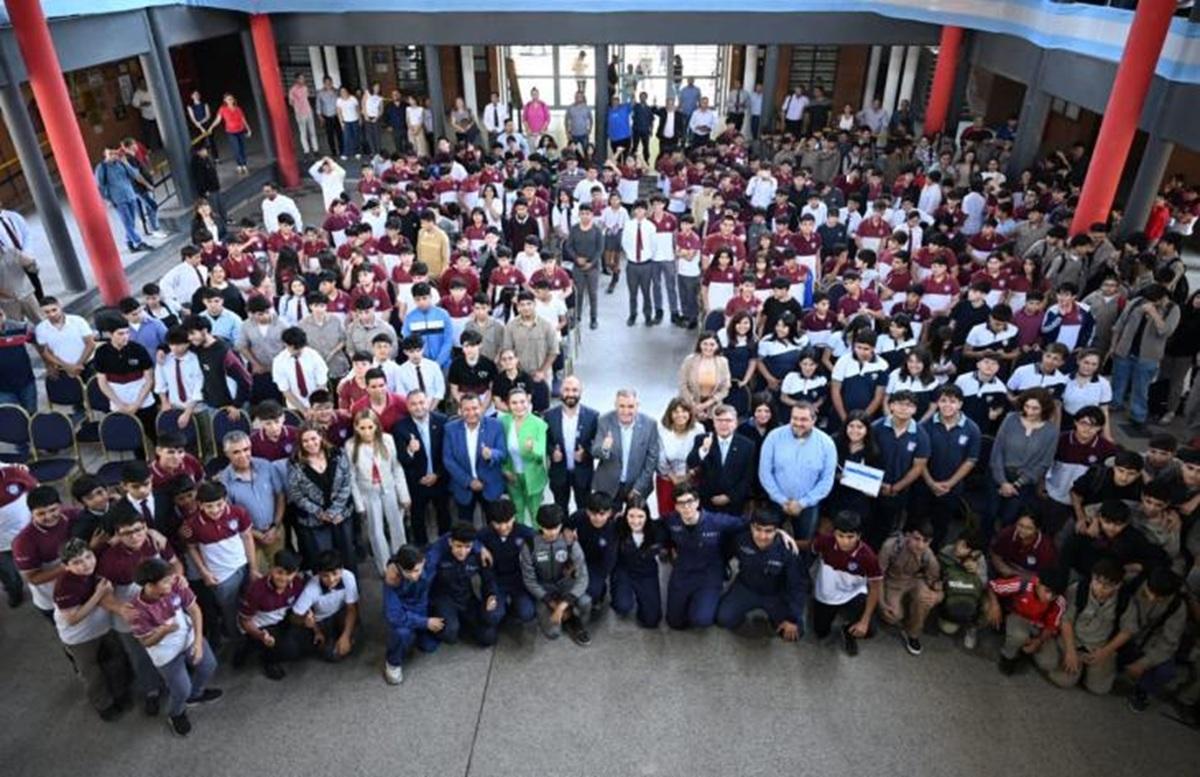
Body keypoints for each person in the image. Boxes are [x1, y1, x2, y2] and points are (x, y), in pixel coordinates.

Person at [128, 557, 222, 737]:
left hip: (188, 638)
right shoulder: (137, 611)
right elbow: (146, 642)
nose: (172, 581)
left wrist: (198, 643)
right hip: (165, 653)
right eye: (165, 581)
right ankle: (176, 713)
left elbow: (194, 610)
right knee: (181, 690)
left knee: (208, 665)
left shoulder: (175, 584)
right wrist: (163, 631)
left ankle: (196, 695)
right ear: (149, 585)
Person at [52, 538, 128, 720]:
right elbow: (73, 619)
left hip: (103, 627)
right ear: (66, 566)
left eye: (88, 557)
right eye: (77, 562)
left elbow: (113, 540)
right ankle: (104, 705)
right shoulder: (64, 586)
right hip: (80, 637)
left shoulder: (95, 565)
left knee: (115, 660)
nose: (86, 564)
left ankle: (120, 694)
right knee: (92, 673)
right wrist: (98, 594)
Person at [715, 508, 807, 641]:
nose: (762, 536)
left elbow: (797, 586)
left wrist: (793, 618)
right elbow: (723, 552)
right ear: (751, 527)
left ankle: (777, 618)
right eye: (758, 529)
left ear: (776, 531)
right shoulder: (740, 539)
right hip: (745, 587)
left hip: (775, 595)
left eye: (768, 531)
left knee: (795, 632)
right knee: (724, 619)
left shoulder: (787, 550)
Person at [662, 484, 745, 630]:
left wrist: (779, 533)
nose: (686, 507)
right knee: (674, 622)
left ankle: (712, 598)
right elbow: (648, 526)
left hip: (709, 574)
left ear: (697, 502)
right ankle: (694, 601)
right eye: (681, 503)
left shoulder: (716, 521)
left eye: (690, 501)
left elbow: (746, 523)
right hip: (683, 572)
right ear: (676, 506)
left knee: (701, 620)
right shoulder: (671, 521)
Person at [758, 402, 838, 540]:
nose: (798, 423)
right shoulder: (774, 437)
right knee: (769, 541)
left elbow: (826, 480)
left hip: (808, 505)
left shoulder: (827, 443)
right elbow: (765, 472)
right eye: (794, 418)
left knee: (804, 543)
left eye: (804, 419)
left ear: (814, 420)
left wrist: (802, 503)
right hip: (776, 502)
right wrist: (781, 500)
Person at [1047, 558, 1127, 695]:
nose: (1099, 588)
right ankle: (1075, 666)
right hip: (1075, 641)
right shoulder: (1078, 590)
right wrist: (1070, 650)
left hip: (1099, 647)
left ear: (1117, 585)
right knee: (1063, 681)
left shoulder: (1125, 601)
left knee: (1099, 689)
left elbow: (1127, 631)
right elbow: (1066, 621)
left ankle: (1088, 672)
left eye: (1106, 586)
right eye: (1096, 581)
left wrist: (1105, 652)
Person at [1109, 284, 1179, 435]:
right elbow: (1120, 323)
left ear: (1162, 299)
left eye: (1153, 301)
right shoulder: (1137, 301)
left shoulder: (1173, 309)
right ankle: (1115, 404)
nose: (1148, 302)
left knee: (1141, 387)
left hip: (1148, 356)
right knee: (1118, 379)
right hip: (1125, 349)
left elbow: (1166, 332)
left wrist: (1154, 313)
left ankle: (1138, 415)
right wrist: (1114, 345)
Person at [811, 510, 883, 656]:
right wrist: (781, 536)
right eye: (840, 536)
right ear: (834, 533)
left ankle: (848, 630)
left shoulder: (868, 557)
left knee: (870, 630)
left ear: (859, 536)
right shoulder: (825, 541)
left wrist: (864, 621)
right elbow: (807, 546)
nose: (845, 541)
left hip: (853, 594)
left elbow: (875, 588)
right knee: (820, 632)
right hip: (827, 595)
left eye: (850, 537)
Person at [347, 410, 410, 576]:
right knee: (376, 531)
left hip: (389, 489)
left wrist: (403, 495)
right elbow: (351, 478)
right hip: (368, 493)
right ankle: (385, 567)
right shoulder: (351, 445)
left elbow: (396, 468)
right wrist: (359, 505)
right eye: (362, 428)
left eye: (370, 427)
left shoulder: (387, 440)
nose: (367, 431)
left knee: (397, 526)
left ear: (376, 426)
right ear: (356, 428)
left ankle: (402, 562)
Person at [519, 504, 592, 645]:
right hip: (544, 588)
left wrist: (563, 605)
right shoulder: (530, 545)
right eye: (547, 528)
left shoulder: (570, 541)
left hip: (565, 584)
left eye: (556, 528)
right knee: (553, 633)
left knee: (585, 602)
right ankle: (564, 617)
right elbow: (529, 580)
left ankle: (573, 621)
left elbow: (583, 576)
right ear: (539, 525)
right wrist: (551, 604)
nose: (552, 533)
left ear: (561, 525)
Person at [989, 388, 1058, 534]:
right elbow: (998, 451)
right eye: (1027, 407)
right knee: (989, 513)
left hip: (1024, 481)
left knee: (1010, 518)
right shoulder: (1010, 419)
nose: (1030, 412)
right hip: (999, 474)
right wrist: (1002, 482)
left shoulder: (1051, 431)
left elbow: (1044, 463)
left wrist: (1017, 484)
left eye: (1035, 408)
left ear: (1044, 408)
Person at [1119, 566, 1186, 712]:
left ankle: (1141, 690)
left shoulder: (1177, 607)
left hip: (1150, 645)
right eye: (1151, 593)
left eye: (1159, 597)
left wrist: (1144, 663)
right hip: (1125, 633)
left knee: (1166, 671)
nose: (1153, 598)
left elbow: (1168, 643)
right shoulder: (1135, 582)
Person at [286, 426, 354, 570]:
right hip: (315, 521)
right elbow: (296, 494)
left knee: (347, 556)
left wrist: (335, 511)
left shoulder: (338, 454)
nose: (310, 443)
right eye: (305, 441)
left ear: (321, 438)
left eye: (313, 439)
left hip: (341, 516)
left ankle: (352, 590)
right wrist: (319, 512)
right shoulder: (295, 463)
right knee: (324, 560)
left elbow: (347, 482)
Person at [236, 550, 305, 681]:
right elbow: (244, 621)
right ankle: (267, 659)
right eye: (279, 572)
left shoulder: (297, 583)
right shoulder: (256, 590)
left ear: (295, 573)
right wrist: (260, 635)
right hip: (261, 626)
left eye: (289, 574)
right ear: (271, 569)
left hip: (282, 620)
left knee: (298, 649)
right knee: (276, 645)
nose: (283, 578)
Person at [984, 567, 1068, 676]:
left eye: (1054, 595)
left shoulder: (1059, 601)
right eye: (1047, 591)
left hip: (1038, 626)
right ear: (1037, 582)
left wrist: (1039, 641)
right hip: (1018, 616)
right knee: (1019, 636)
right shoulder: (1022, 583)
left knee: (1049, 663)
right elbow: (992, 586)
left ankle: (1024, 651)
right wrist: (995, 605)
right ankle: (1008, 656)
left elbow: (1051, 626)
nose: (1049, 597)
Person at [426, 523, 498, 647]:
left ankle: (460, 623)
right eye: (458, 546)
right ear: (450, 542)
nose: (462, 551)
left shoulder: (477, 555)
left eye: (467, 547)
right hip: (444, 598)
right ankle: (451, 623)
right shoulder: (437, 556)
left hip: (466, 597)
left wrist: (491, 595)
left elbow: (488, 579)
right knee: (450, 634)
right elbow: (421, 578)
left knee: (488, 638)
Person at [878, 520, 943, 656]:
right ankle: (902, 610)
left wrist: (937, 596)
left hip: (914, 581)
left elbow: (936, 583)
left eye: (925, 541)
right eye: (916, 539)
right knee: (893, 616)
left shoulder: (928, 556)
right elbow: (877, 578)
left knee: (925, 598)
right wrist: (881, 603)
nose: (920, 545)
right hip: (892, 582)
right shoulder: (890, 546)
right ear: (908, 535)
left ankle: (912, 633)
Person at [592, 389, 661, 512]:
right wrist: (605, 448)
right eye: (621, 406)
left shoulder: (650, 424)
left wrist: (639, 488)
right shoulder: (604, 421)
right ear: (615, 405)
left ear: (637, 406)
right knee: (610, 523)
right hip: (609, 485)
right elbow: (595, 452)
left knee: (635, 522)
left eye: (630, 406)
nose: (626, 411)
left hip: (638, 485)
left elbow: (652, 460)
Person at [442, 393, 507, 521]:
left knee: (494, 527)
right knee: (465, 529)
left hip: (490, 486)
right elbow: (448, 460)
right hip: (463, 487)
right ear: (460, 410)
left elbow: (502, 453)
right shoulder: (450, 429)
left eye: (475, 408)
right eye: (466, 409)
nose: (471, 413)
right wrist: (469, 481)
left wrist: (491, 454)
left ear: (481, 408)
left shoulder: (496, 425)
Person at [382, 545, 441, 685]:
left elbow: (444, 541)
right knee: (402, 633)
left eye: (417, 570)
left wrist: (479, 547)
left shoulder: (428, 560)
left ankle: (416, 637)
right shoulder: (391, 581)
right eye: (409, 572)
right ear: (399, 568)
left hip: (424, 609)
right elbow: (395, 616)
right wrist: (425, 622)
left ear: (423, 562)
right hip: (406, 615)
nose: (415, 575)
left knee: (430, 646)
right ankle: (392, 663)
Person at [686, 404, 755, 514]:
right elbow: (691, 463)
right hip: (706, 504)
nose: (724, 424)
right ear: (713, 423)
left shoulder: (747, 445)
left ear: (736, 423)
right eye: (719, 420)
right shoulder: (702, 439)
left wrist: (730, 497)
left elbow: (748, 477)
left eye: (728, 420)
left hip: (734, 506)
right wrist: (703, 449)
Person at [477, 500, 537, 626]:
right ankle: (501, 609)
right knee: (492, 617)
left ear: (514, 517)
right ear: (491, 522)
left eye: (507, 522)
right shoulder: (483, 535)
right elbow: (468, 540)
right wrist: (479, 548)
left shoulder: (525, 533)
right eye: (497, 523)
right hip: (495, 581)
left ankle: (512, 610)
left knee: (527, 613)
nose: (503, 527)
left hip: (519, 581)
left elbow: (543, 541)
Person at [544, 375, 598, 513]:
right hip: (559, 473)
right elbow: (545, 441)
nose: (570, 394)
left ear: (581, 392)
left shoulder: (593, 416)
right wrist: (551, 452)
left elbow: (597, 443)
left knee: (584, 510)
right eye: (567, 390)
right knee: (560, 510)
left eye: (575, 390)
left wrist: (586, 453)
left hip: (583, 473)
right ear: (561, 391)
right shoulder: (549, 416)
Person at [499, 388, 548, 527]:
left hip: (533, 475)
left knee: (535, 512)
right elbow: (501, 448)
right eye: (514, 403)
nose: (519, 406)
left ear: (528, 401)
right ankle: (519, 542)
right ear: (508, 405)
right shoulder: (503, 422)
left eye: (522, 402)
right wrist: (504, 470)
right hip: (512, 475)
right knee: (517, 511)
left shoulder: (539, 424)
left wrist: (533, 448)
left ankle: (538, 543)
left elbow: (541, 455)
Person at [94, 147, 152, 251]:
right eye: (110, 153)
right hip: (118, 199)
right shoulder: (102, 168)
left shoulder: (121, 164)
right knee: (127, 222)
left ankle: (129, 242)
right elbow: (100, 186)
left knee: (131, 221)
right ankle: (138, 242)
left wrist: (125, 163)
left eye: (114, 153)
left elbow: (134, 174)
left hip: (130, 195)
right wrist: (107, 199)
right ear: (105, 155)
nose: (113, 156)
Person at [678, 332, 731, 422]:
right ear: (699, 345)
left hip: (713, 408)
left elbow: (725, 388)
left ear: (717, 346)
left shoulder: (723, 362)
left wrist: (705, 405)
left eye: (712, 344)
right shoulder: (690, 360)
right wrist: (694, 406)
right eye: (705, 344)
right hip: (690, 407)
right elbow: (682, 384)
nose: (708, 348)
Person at [622, 200, 658, 326]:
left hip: (646, 264)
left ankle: (648, 315)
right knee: (633, 292)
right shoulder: (628, 225)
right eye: (637, 209)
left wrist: (647, 257)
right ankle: (633, 314)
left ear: (646, 211)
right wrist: (630, 255)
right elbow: (624, 242)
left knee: (646, 292)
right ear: (634, 211)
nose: (639, 212)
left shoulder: (651, 226)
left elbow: (654, 245)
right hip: (632, 263)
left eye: (642, 209)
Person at [207, 94, 252, 175]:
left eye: (231, 99)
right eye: (228, 99)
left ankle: (244, 165)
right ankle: (239, 165)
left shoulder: (238, 109)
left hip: (240, 130)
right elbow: (218, 120)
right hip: (231, 132)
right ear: (225, 101)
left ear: (234, 100)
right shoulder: (223, 109)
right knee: (236, 149)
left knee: (242, 148)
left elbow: (243, 119)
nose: (230, 100)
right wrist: (211, 127)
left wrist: (248, 129)